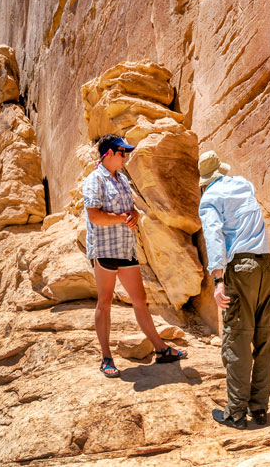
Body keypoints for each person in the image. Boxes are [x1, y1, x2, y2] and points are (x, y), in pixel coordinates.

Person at [83, 134, 187, 378]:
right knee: (105, 302)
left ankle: (160, 349)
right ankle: (106, 357)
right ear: (108, 153)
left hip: (125, 248)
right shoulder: (94, 180)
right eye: (122, 152)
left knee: (139, 299)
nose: (125, 157)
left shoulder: (121, 180)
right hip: (105, 249)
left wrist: (134, 216)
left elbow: (130, 210)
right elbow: (95, 216)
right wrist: (122, 218)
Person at [199, 150, 270, 429]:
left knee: (238, 339)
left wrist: (218, 279)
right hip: (266, 267)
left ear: (204, 182)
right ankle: (259, 409)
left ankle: (235, 414)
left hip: (241, 270)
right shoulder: (244, 184)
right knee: (265, 338)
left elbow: (214, 236)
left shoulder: (209, 199)